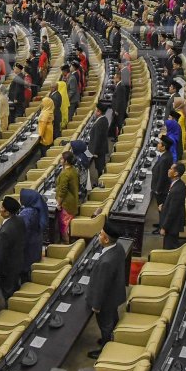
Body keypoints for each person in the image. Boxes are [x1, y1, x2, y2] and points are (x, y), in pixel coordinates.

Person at [86, 219, 126, 359]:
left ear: (106, 239)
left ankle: (105, 348)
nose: (99, 236)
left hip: (106, 300)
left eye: (101, 234)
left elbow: (102, 286)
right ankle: (108, 338)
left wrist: (96, 305)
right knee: (113, 318)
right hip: (115, 294)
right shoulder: (118, 247)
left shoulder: (106, 262)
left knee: (105, 324)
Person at [0, 196, 26, 300]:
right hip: (18, 260)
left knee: (8, 292)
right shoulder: (20, 219)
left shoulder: (4, 232)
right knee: (15, 284)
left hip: (7, 269)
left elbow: (0, 255)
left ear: (7, 212)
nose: (0, 208)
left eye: (2, 207)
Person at [158, 162, 186, 250]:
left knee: (169, 248)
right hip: (172, 223)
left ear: (176, 173)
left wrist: (164, 227)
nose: (168, 170)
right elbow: (172, 203)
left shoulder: (177, 189)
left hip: (172, 225)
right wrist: (163, 207)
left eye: (171, 169)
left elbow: (172, 211)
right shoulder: (177, 184)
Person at [54, 151, 79, 244]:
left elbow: (62, 191)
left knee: (64, 225)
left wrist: (58, 203)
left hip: (66, 203)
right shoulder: (73, 170)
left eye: (62, 159)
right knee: (69, 225)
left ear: (66, 161)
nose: (60, 160)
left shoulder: (65, 174)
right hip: (73, 200)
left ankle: (67, 244)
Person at [149, 135, 173, 209]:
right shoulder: (167, 155)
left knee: (161, 208)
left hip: (161, 190)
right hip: (163, 188)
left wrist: (157, 190)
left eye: (159, 144)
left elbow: (162, 176)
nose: (158, 145)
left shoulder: (164, 159)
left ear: (163, 147)